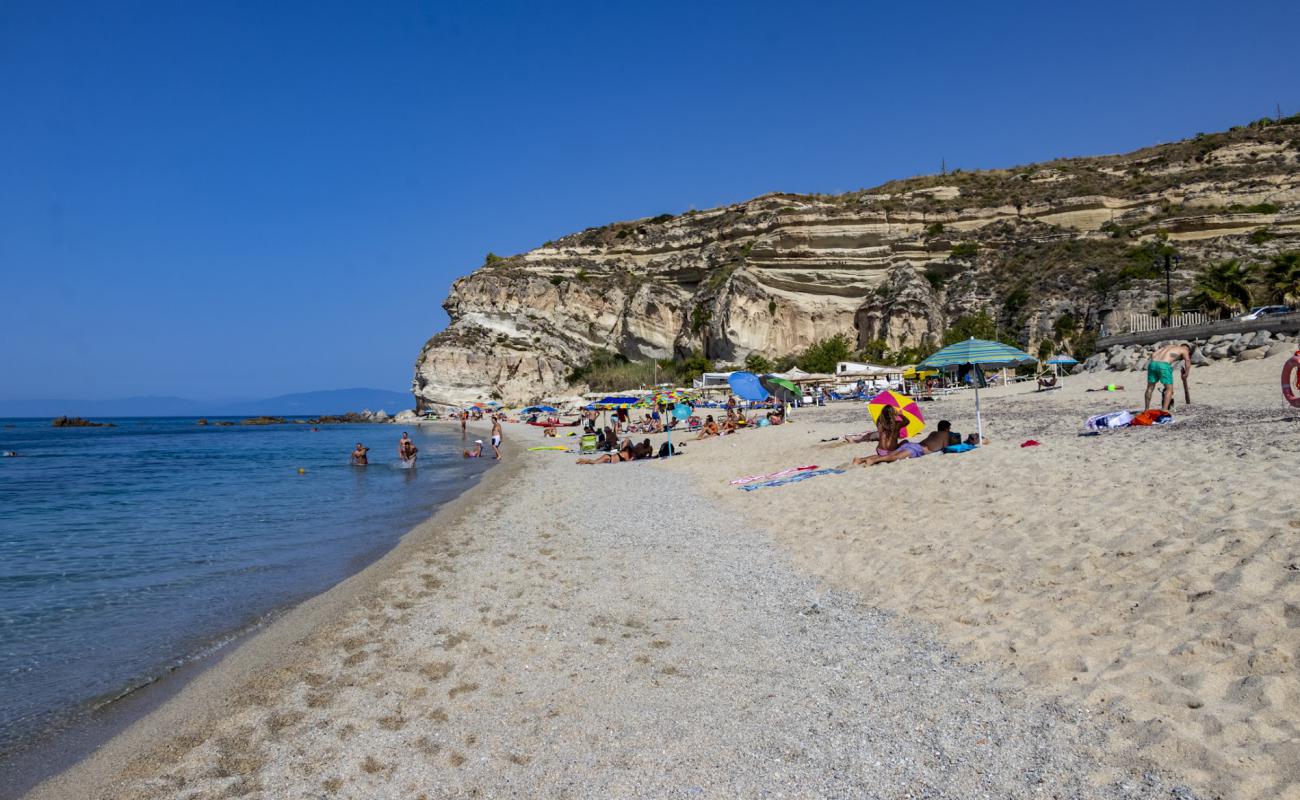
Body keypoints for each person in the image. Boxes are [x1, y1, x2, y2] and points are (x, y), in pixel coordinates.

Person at [1145, 342, 1193, 411]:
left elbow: (1153, 354)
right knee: (1169, 389)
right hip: (1164, 365)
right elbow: (1187, 361)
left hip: (1152, 364)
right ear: (1188, 349)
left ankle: (1146, 409)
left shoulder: (1168, 346)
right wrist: (1186, 374)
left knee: (1149, 388)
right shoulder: (1184, 350)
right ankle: (1164, 411)